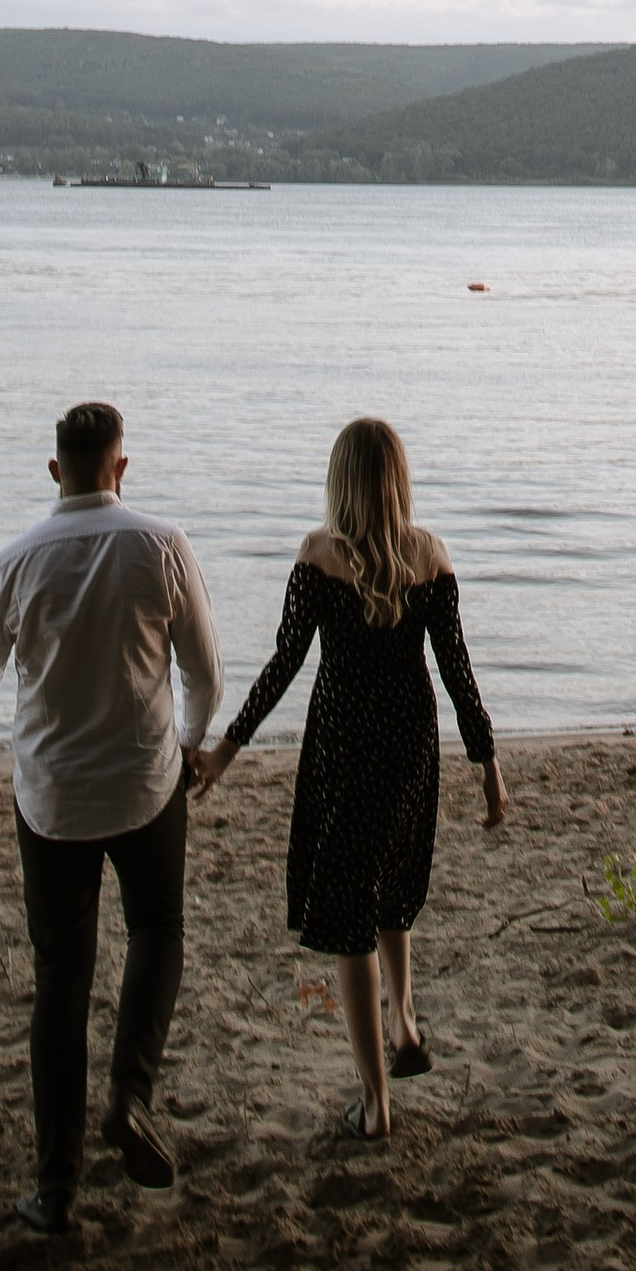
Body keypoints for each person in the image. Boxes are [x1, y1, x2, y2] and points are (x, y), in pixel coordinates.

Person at [0, 399, 220, 1233]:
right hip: (145, 785)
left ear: (56, 470)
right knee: (158, 931)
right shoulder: (161, 544)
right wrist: (197, 743)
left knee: (61, 976)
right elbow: (204, 671)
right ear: (121, 467)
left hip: (53, 797)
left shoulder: (19, 558)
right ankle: (130, 1096)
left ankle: (56, 1187)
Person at [199, 416, 509, 1138]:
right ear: (398, 479)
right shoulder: (430, 555)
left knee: (348, 920)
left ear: (340, 480)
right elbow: (459, 674)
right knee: (390, 884)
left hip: (343, 743)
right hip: (409, 742)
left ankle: (374, 1104)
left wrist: (224, 750)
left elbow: (283, 665)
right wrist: (489, 768)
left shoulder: (318, 555)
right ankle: (403, 1024)